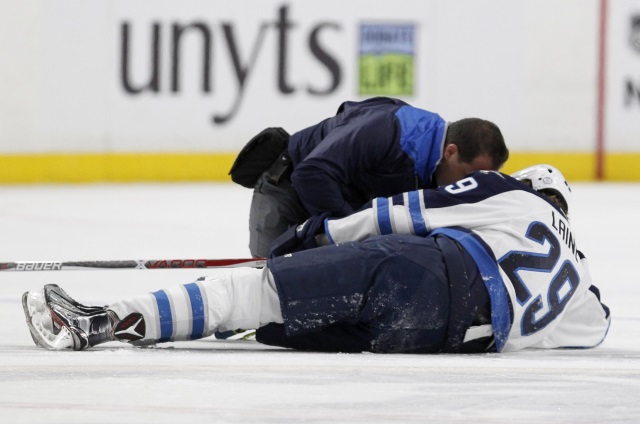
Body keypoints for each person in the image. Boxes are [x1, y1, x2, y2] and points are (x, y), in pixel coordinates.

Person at [22, 165, 609, 354]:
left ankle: (96, 322)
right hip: (450, 337)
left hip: (429, 271)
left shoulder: (507, 192)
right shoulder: (582, 282)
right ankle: (249, 324)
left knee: (258, 288)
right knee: (278, 324)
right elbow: (594, 328)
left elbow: (396, 216)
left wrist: (320, 234)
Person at [229, 97, 509, 258]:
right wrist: (352, 230)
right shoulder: (388, 129)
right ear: (450, 152)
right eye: (468, 176)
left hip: (333, 198)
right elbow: (310, 174)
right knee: (265, 283)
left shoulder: (435, 161)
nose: (468, 186)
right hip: (288, 186)